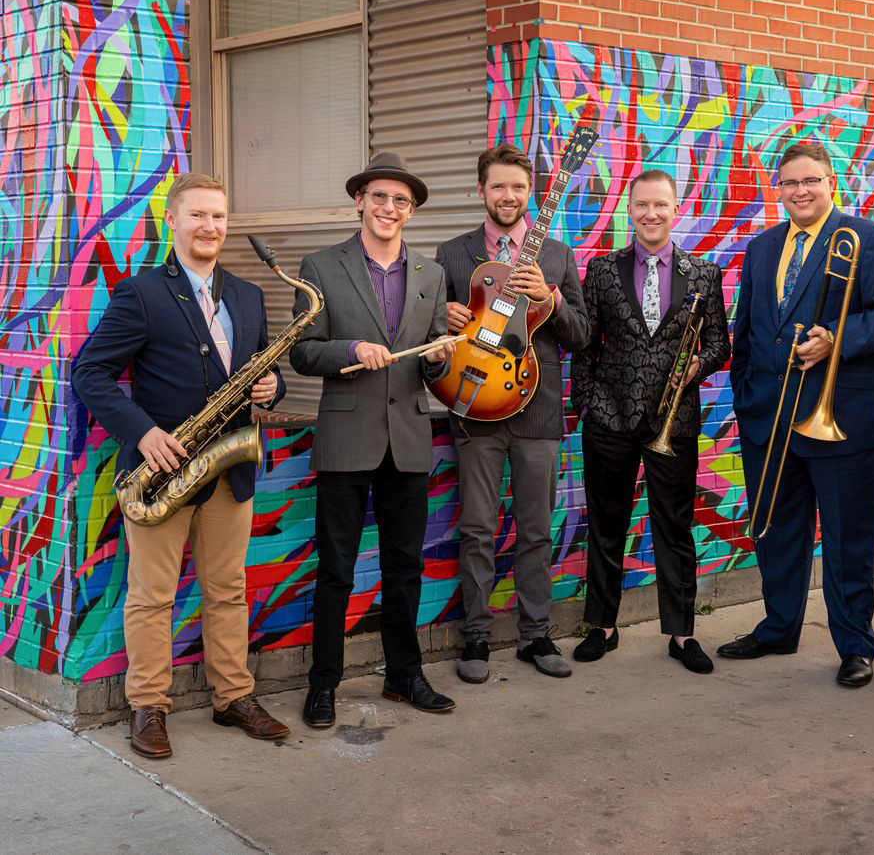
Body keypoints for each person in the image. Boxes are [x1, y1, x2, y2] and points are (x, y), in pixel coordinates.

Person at [72, 173, 290, 758]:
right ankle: (149, 705)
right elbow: (89, 373)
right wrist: (143, 434)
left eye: (218, 216)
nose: (210, 227)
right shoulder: (141, 293)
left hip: (231, 467)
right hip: (164, 472)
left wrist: (272, 387)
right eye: (197, 216)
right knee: (151, 596)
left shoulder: (246, 294)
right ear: (172, 222)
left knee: (228, 590)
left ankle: (233, 696)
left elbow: (261, 374)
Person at [718, 141, 874, 687]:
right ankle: (780, 627)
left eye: (811, 181)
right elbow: (748, 328)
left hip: (843, 415)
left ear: (832, 182)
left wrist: (838, 341)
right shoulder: (761, 248)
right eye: (789, 183)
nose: (800, 191)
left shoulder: (867, 238)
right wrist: (744, 396)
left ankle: (855, 645)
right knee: (777, 533)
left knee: (849, 539)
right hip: (769, 416)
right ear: (778, 189)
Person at [290, 152, 458, 728]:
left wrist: (439, 359)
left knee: (404, 567)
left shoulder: (432, 275)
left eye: (401, 201)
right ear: (360, 200)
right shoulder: (320, 265)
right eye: (380, 197)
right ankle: (324, 684)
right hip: (346, 438)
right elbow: (302, 351)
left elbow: (435, 363)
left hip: (408, 440)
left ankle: (404, 676)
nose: (389, 208)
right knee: (336, 568)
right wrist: (351, 352)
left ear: (410, 211)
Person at [434, 144, 589, 684]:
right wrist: (443, 320)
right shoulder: (452, 255)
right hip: (475, 407)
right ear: (482, 190)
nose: (508, 196)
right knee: (476, 528)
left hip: (538, 413)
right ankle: (476, 636)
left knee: (535, 531)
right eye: (498, 186)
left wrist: (554, 298)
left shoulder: (558, 257)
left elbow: (582, 336)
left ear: (532, 193)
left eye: (518, 187)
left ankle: (535, 635)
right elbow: (426, 337)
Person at [568, 169, 730, 673]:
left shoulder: (703, 274)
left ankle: (682, 634)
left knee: (674, 529)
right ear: (629, 209)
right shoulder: (601, 269)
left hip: (673, 422)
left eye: (660, 205)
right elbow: (584, 345)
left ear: (674, 208)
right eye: (641, 205)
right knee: (606, 525)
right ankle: (603, 626)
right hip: (610, 418)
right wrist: (588, 403)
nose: (651, 214)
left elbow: (720, 343)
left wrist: (698, 365)